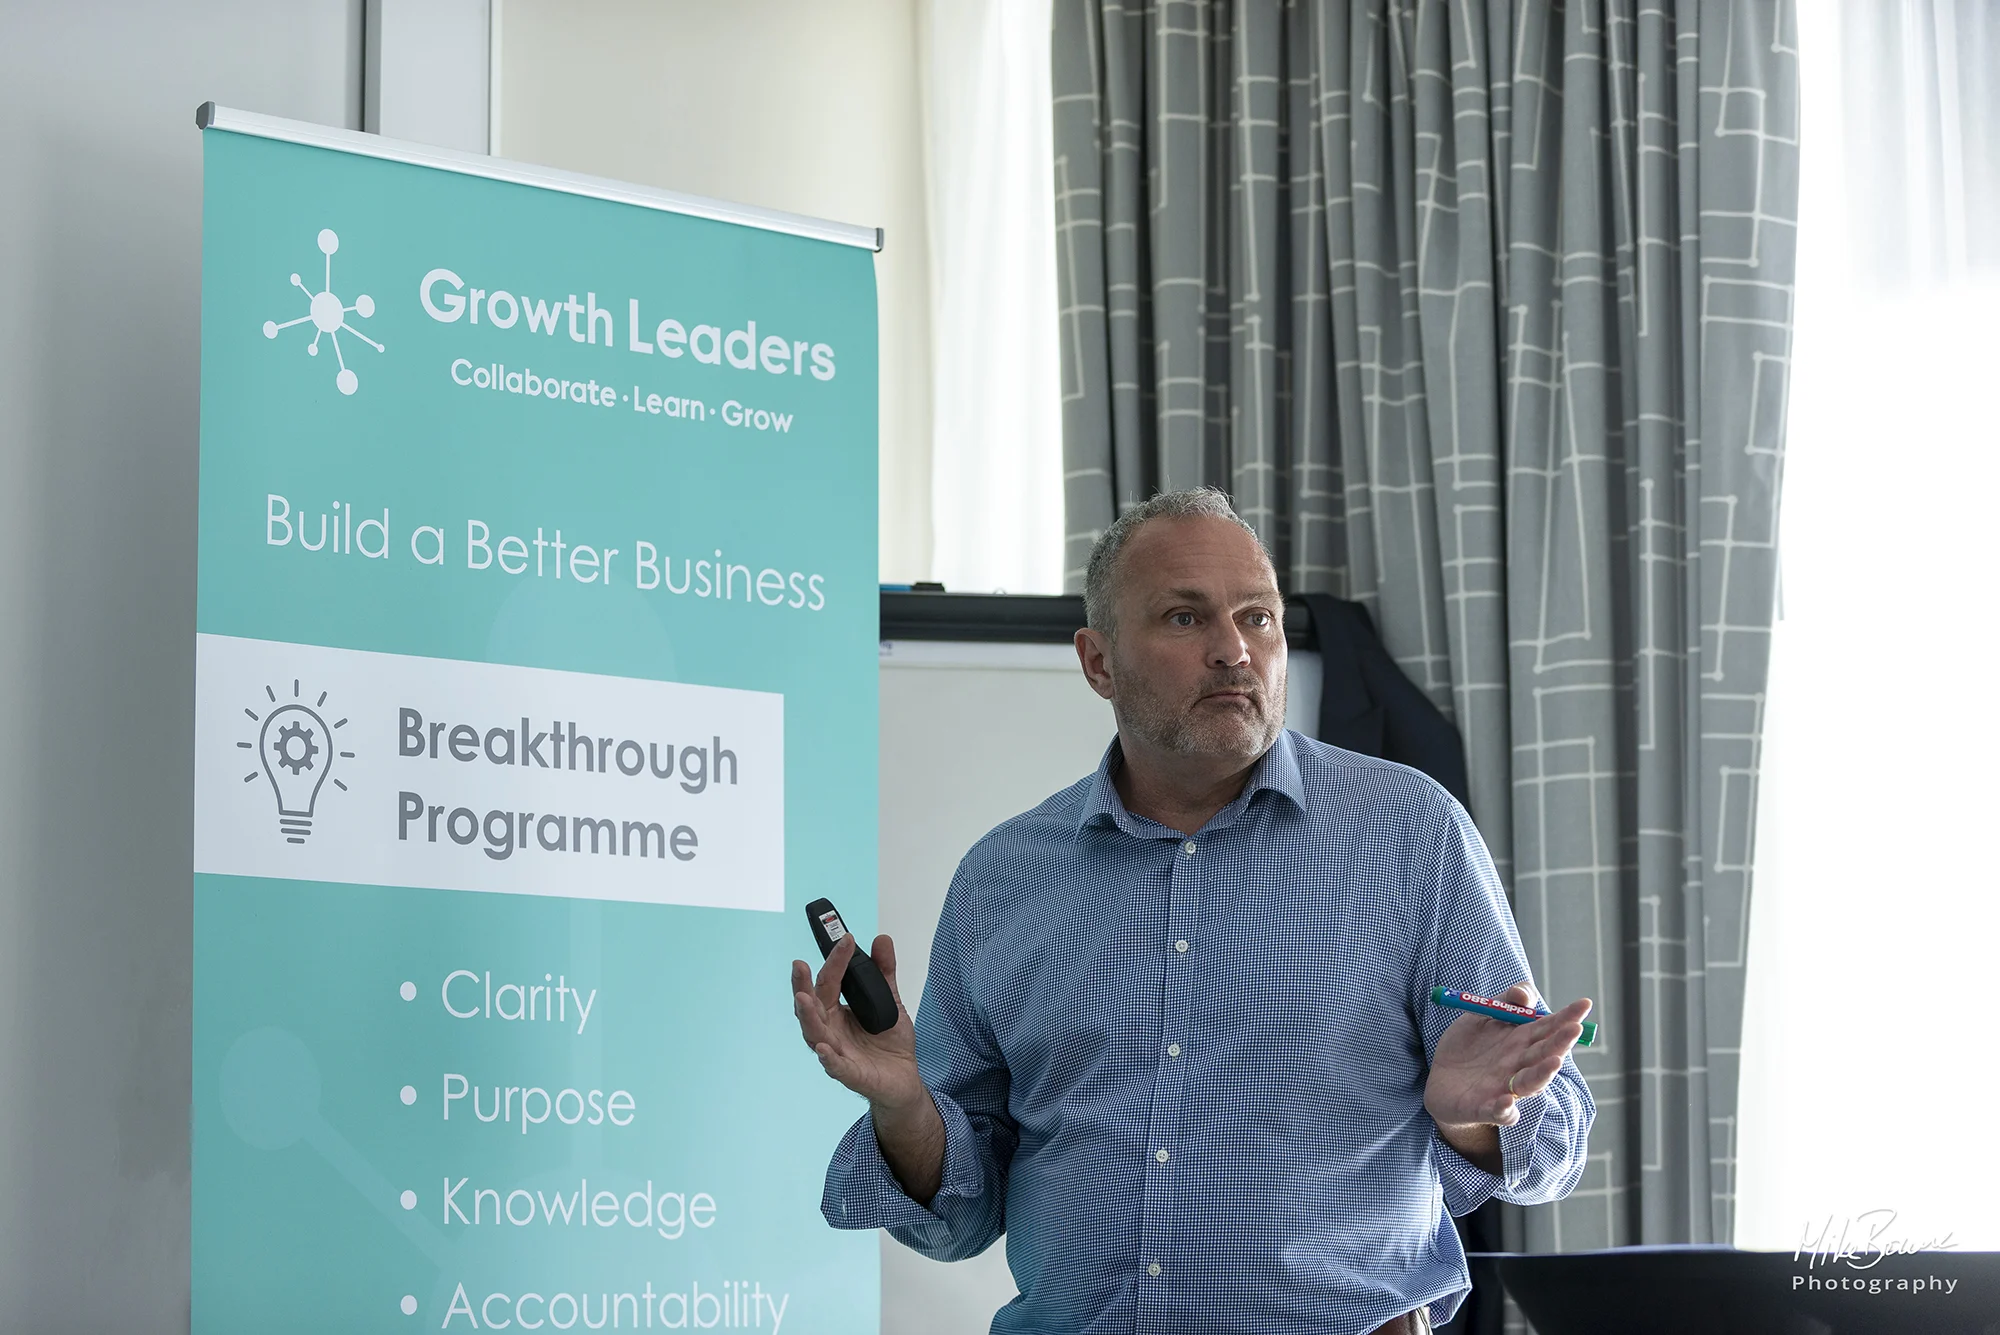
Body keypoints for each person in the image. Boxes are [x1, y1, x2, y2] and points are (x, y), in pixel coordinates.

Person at [792, 488, 1594, 1335]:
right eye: (1184, 618)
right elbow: (958, 1215)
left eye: (1259, 618)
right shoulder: (1002, 879)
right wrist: (904, 1106)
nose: (1234, 651)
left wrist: (1476, 1115)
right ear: (1097, 661)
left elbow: (1553, 1150)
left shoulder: (1411, 834)